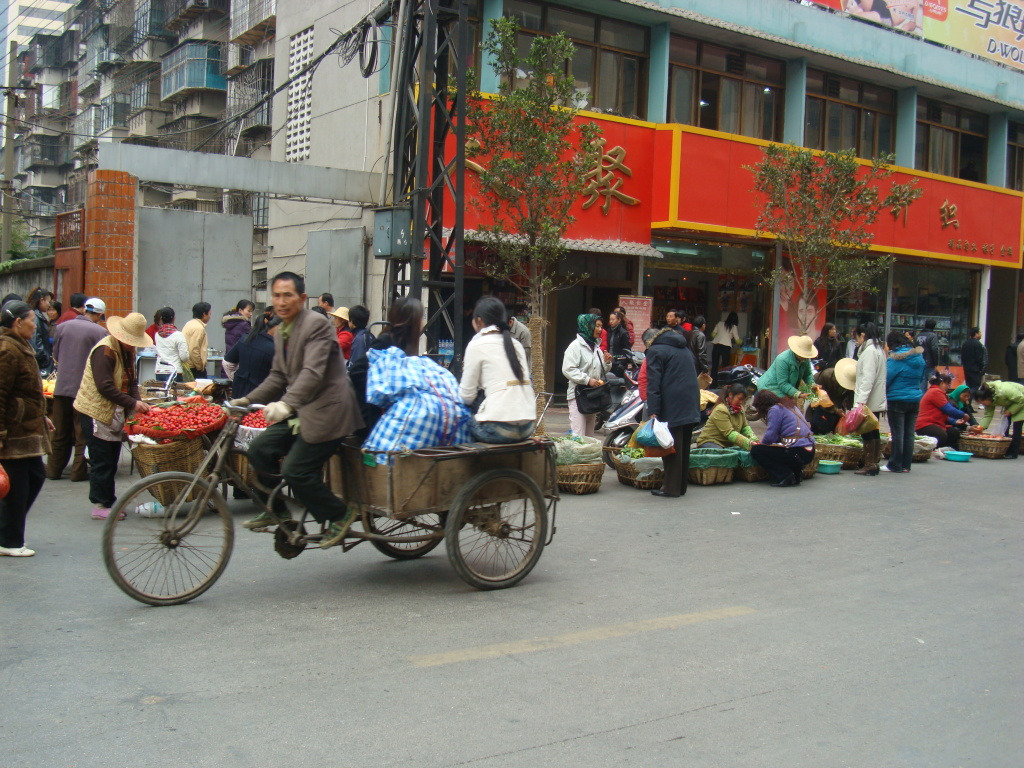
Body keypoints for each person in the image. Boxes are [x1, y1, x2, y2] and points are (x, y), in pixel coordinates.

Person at [229, 272, 363, 547]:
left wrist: (286, 404)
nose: (281, 301)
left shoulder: (317, 325)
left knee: (295, 470)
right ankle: (277, 511)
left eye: (287, 295)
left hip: (330, 412)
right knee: (258, 449)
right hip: (302, 411)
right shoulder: (283, 332)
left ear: (302, 298)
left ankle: (340, 513)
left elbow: (313, 372)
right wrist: (245, 400)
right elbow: (277, 376)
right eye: (276, 295)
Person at [363, 297, 471, 456]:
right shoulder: (387, 340)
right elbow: (364, 374)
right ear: (411, 320)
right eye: (421, 317)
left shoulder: (405, 341)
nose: (422, 322)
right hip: (370, 410)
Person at [73, 312, 154, 519]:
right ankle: (101, 504)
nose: (133, 345)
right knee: (102, 459)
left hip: (114, 409)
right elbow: (105, 387)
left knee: (111, 457)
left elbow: (131, 382)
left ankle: (109, 500)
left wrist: (137, 404)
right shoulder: (105, 350)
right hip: (96, 410)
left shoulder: (127, 352)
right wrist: (133, 403)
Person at [0, 301, 52, 556]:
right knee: (17, 488)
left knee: (35, 477)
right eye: (32, 319)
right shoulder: (7, 349)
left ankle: (6, 534)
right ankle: (10, 542)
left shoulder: (20, 345)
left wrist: (42, 416)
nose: (36, 324)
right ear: (18, 322)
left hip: (28, 427)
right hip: (14, 430)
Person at [458, 297, 536, 443]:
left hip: (498, 429)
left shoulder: (476, 345)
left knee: (461, 418)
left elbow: (466, 395)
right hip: (528, 426)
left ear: (479, 321)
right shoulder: (516, 345)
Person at [47, 297, 107, 481]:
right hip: (84, 391)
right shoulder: (100, 332)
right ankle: (77, 472)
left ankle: (53, 470)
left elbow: (55, 356)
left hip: (61, 388)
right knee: (81, 434)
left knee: (59, 431)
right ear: (99, 314)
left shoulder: (62, 327)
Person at [644, 327, 700, 497]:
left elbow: (653, 383)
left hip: (672, 402)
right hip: (690, 400)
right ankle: (680, 486)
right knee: (683, 446)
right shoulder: (683, 348)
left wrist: (653, 411)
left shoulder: (655, 351)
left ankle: (670, 488)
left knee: (670, 447)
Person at [750, 390, 815, 487]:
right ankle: (796, 474)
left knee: (757, 451)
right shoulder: (790, 406)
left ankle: (784, 475)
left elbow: (771, 436)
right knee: (782, 449)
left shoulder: (775, 409)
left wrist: (761, 444)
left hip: (798, 452)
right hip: (810, 451)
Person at [883, 331, 925, 473]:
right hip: (914, 398)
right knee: (909, 433)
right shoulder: (919, 358)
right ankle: (906, 465)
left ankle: (895, 464)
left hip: (897, 399)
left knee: (898, 433)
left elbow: (886, 380)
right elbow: (921, 378)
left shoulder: (895, 359)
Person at [562, 313, 609, 437]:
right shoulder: (575, 347)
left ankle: (587, 457)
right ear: (588, 326)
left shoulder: (597, 348)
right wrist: (587, 380)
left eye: (601, 327)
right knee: (578, 435)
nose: (600, 330)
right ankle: (577, 456)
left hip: (592, 396)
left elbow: (600, 370)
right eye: (597, 326)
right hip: (578, 395)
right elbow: (568, 369)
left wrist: (607, 362)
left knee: (589, 436)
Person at [851, 322, 886, 476]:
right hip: (875, 399)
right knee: (874, 430)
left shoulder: (870, 351)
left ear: (863, 335)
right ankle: (873, 462)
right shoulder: (878, 349)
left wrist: (860, 402)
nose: (857, 341)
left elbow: (867, 378)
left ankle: (870, 463)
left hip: (868, 399)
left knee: (867, 432)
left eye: (857, 337)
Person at [225, 313, 281, 399]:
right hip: (261, 398)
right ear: (277, 327)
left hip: (238, 392)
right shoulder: (274, 348)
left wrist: (237, 377)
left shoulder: (245, 339)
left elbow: (227, 363)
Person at [972, 380, 1024, 459]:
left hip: (1021, 401)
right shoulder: (990, 398)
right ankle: (1005, 448)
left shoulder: (1004, 391)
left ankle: (1013, 452)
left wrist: (1010, 411)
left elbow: (1021, 399)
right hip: (1012, 403)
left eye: (982, 402)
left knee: (1017, 426)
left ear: (987, 398)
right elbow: (988, 414)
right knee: (1005, 425)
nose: (983, 405)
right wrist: (981, 427)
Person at [697, 384, 757, 451]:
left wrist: (754, 439)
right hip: (710, 441)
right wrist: (749, 443)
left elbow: (745, 427)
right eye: (739, 399)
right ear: (730, 395)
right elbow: (730, 433)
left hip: (727, 443)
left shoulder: (741, 409)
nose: (741, 402)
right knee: (723, 455)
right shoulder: (721, 410)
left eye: (743, 400)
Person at [915, 372, 966, 450]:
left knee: (953, 433)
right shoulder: (935, 392)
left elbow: (943, 415)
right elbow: (948, 409)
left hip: (936, 423)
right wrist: (963, 415)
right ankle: (933, 449)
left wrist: (954, 422)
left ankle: (943, 450)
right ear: (942, 383)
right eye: (947, 384)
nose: (948, 387)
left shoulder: (937, 392)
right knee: (941, 435)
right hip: (925, 424)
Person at [756, 335, 817, 400]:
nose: (804, 357)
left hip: (785, 389)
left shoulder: (805, 359)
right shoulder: (783, 359)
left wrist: (812, 385)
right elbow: (783, 383)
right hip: (770, 388)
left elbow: (807, 374)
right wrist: (799, 394)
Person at [809, 357, 857, 434]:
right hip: (821, 404)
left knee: (835, 428)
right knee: (821, 426)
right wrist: (835, 410)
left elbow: (848, 400)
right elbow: (818, 398)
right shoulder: (825, 376)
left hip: (835, 405)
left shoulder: (851, 382)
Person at [153, 307, 191, 383]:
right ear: (173, 319)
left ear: (161, 319)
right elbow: (184, 357)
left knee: (162, 394)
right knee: (175, 394)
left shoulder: (157, 335)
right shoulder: (178, 335)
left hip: (159, 371)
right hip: (174, 371)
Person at [221, 300, 254, 378]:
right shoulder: (244, 325)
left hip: (229, 359)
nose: (251, 314)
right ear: (240, 310)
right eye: (248, 311)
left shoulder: (231, 322)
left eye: (251, 311)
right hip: (238, 362)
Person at [26, 287, 54, 375]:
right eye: (48, 301)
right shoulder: (35, 318)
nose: (49, 305)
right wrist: (46, 358)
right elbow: (35, 343)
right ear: (42, 300)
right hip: (41, 364)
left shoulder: (38, 316)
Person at [182, 301, 211, 379]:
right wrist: (200, 367)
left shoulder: (189, 323)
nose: (210, 316)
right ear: (204, 314)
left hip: (188, 365)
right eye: (209, 314)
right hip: (194, 367)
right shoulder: (198, 328)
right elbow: (194, 350)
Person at [710, 312, 741, 383]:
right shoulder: (734, 327)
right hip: (726, 347)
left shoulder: (720, 323)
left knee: (715, 366)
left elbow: (713, 334)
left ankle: (713, 383)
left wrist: (719, 337)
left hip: (716, 345)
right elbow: (737, 340)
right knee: (725, 367)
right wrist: (742, 341)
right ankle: (723, 382)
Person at [914, 318, 940, 390]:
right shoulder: (932, 336)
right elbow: (934, 349)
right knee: (933, 383)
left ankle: (921, 400)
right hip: (929, 363)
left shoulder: (917, 336)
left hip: (919, 362)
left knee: (921, 384)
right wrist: (936, 363)